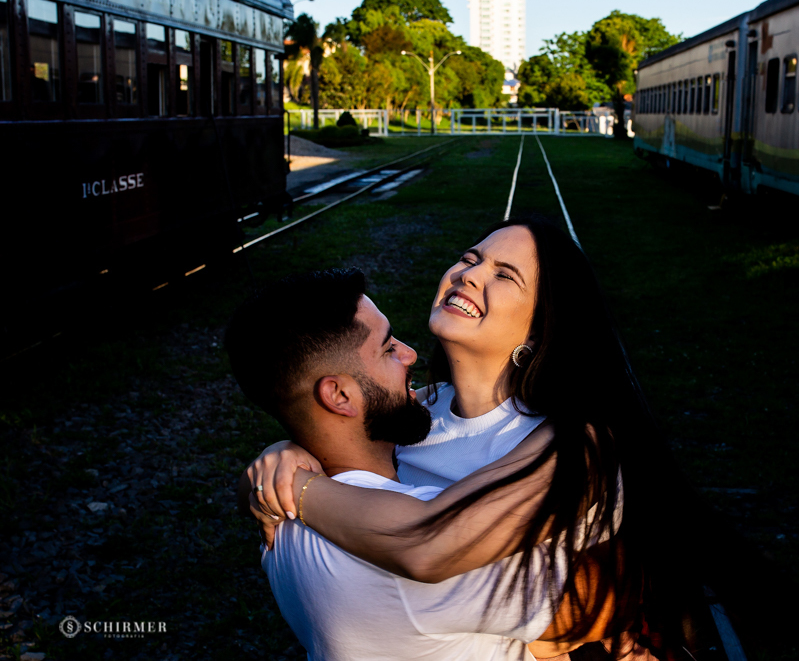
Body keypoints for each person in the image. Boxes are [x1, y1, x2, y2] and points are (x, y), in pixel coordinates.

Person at [246, 217, 782, 660]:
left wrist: (299, 490)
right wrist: (285, 452)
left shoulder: (565, 442)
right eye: (471, 258)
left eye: (506, 275)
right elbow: (341, 439)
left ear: (540, 326)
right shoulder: (411, 416)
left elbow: (593, 596)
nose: (468, 275)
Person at [225, 267, 587, 660]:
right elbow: (596, 601)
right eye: (387, 348)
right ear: (340, 396)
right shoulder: (410, 542)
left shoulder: (276, 511)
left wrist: (277, 457)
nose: (410, 353)